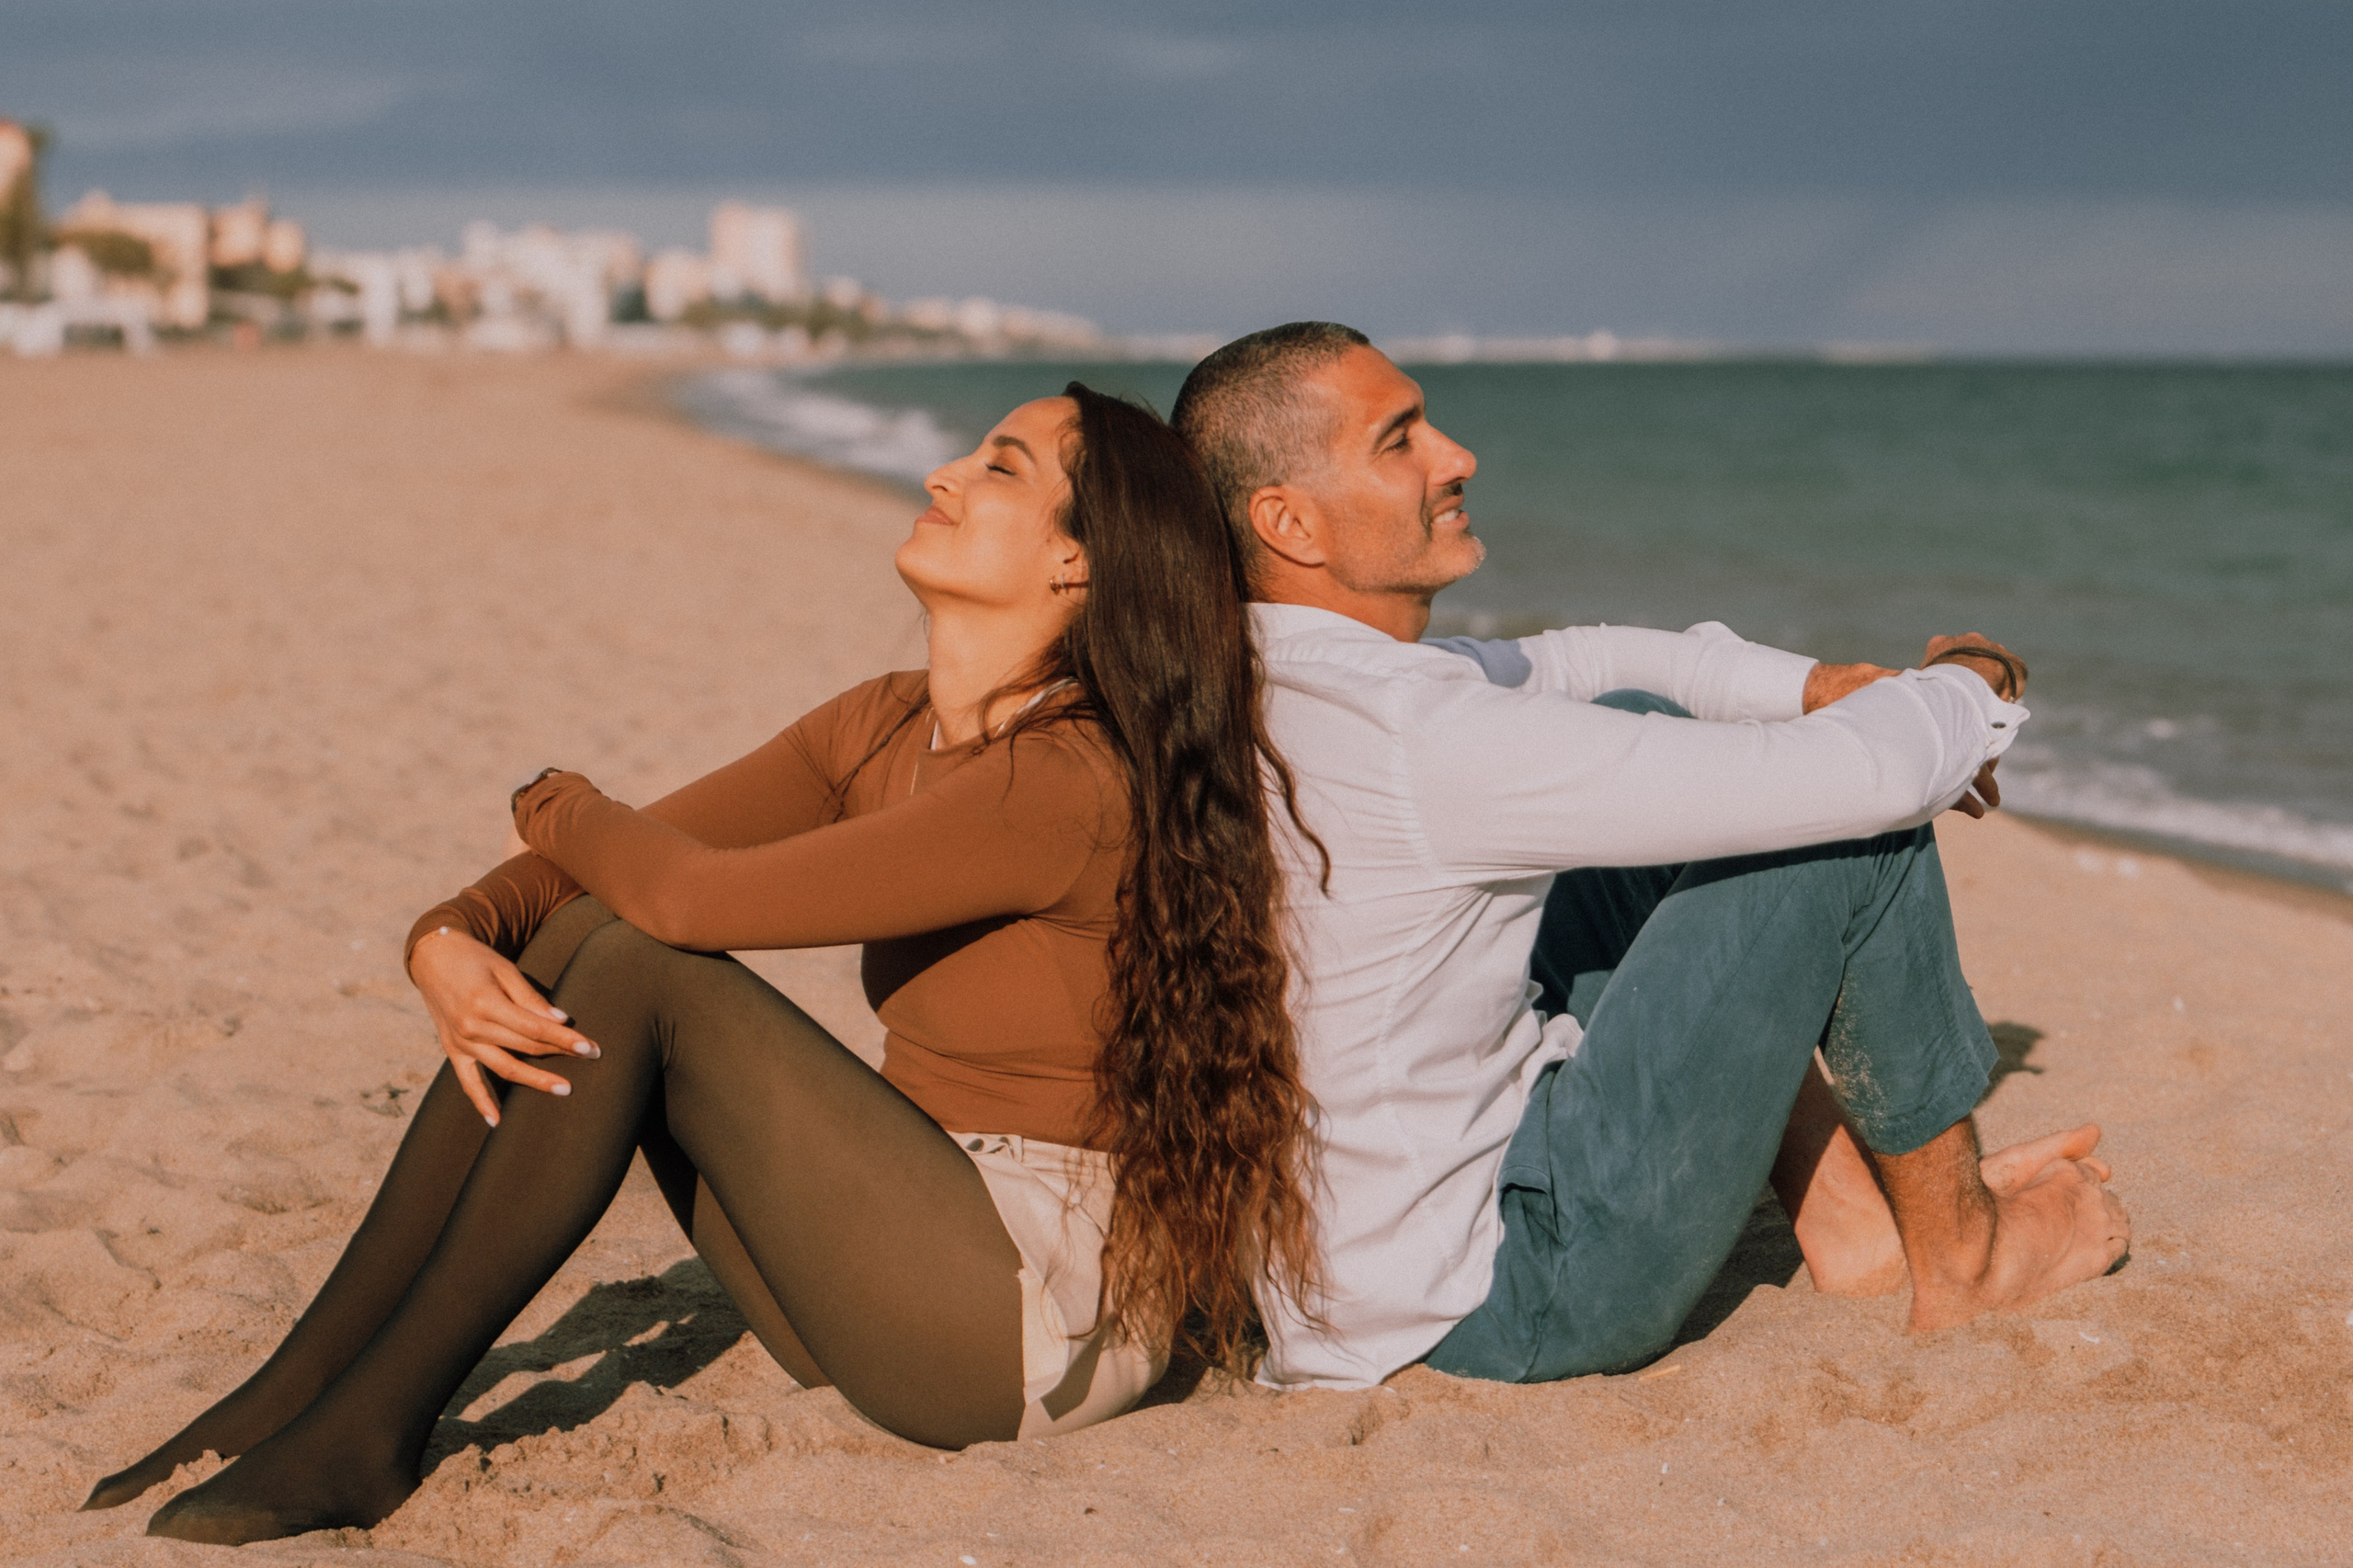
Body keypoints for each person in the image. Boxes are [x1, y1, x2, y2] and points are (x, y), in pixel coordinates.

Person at [88, 384, 1322, 1544]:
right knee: (588, 940)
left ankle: (366, 1424)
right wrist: (446, 938)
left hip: (1030, 1325)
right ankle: (300, 1387)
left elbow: (684, 894)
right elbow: (591, 887)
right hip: (891, 1267)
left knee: (641, 964)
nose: (943, 473)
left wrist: (550, 796)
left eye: (998, 467)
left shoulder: (1064, 781)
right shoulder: (884, 722)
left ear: (1079, 558)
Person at [1168, 323, 2131, 1391]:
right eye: (1400, 441)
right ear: (1287, 519)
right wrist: (1969, 677)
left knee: (1636, 715)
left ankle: (1849, 1217)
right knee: (1847, 825)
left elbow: (1591, 662)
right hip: (1510, 1291)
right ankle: (1969, 1250)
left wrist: (1811, 686)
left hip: (1362, 1270)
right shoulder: (1418, 739)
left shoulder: (1271, 675)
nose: (1455, 455)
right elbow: (1873, 781)